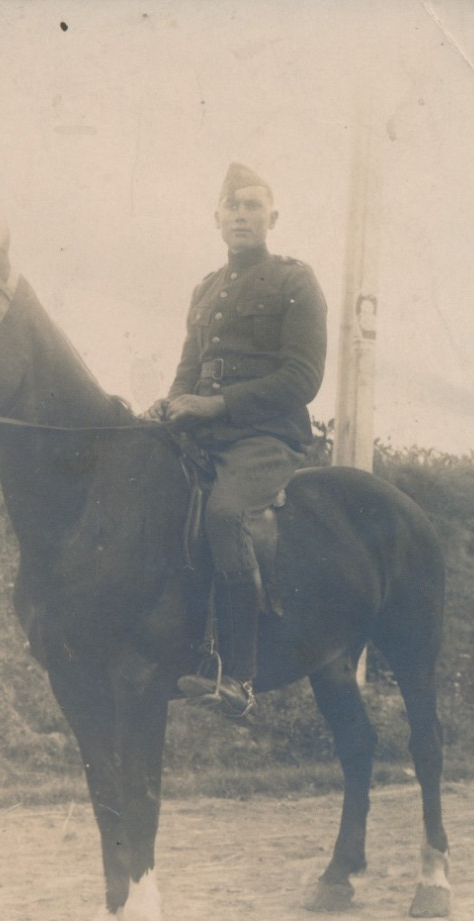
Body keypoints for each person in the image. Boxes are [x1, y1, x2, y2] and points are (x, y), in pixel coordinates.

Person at [146, 162, 327, 715]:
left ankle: (239, 677)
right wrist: (173, 403)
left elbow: (303, 379)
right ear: (217, 218)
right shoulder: (206, 288)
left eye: (253, 206)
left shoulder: (296, 281)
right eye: (233, 206)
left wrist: (218, 404)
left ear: (272, 218)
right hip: (203, 434)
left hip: (265, 438)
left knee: (225, 514)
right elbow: (187, 368)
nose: (242, 215)